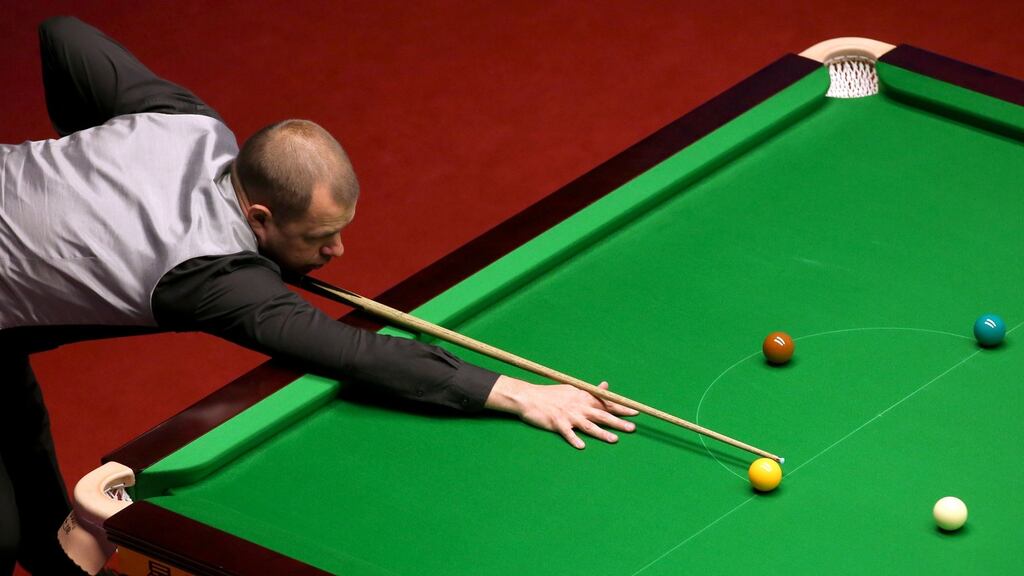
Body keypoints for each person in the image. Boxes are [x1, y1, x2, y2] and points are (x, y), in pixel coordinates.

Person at [0, 16, 637, 575]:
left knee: (23, 441)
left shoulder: (181, 121)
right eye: (317, 238)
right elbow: (353, 354)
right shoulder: (211, 278)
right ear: (258, 216)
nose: (337, 252)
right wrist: (522, 394)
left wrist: (84, 167)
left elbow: (63, 34)